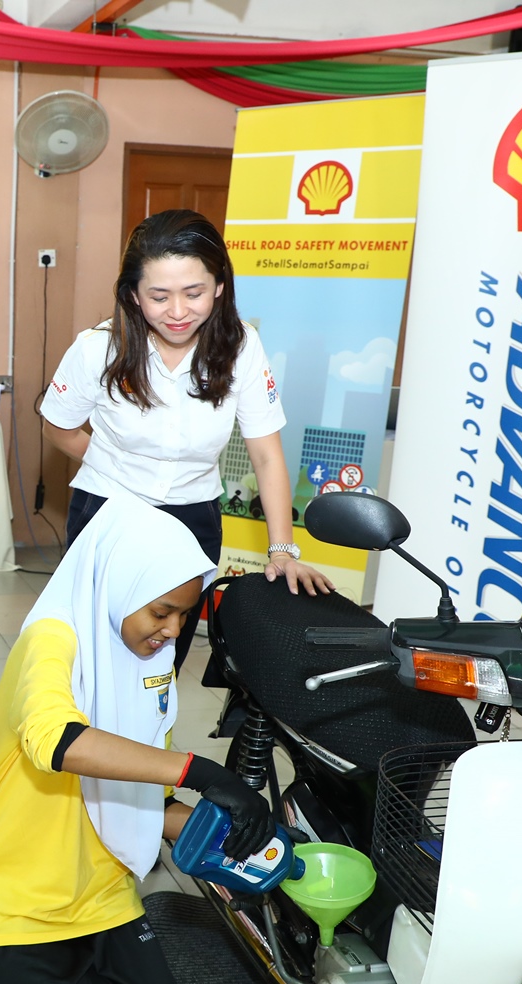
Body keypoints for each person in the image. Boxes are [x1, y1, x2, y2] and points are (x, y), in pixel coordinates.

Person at [0, 494, 273, 984]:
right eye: (162, 611)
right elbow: (57, 742)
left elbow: (143, 794)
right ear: (119, 584)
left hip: (102, 892)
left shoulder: (141, 661)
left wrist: (225, 836)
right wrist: (202, 773)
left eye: (186, 616)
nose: (174, 632)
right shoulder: (50, 642)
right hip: (17, 899)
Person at [40, 210, 334, 668]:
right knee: (92, 653)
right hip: (107, 513)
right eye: (159, 296)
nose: (177, 312)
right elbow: (57, 426)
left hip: (192, 518)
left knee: (163, 656)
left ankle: (148, 739)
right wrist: (108, 463)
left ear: (219, 285)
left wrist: (282, 551)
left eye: (193, 293)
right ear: (133, 295)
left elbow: (266, 455)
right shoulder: (98, 348)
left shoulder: (241, 346)